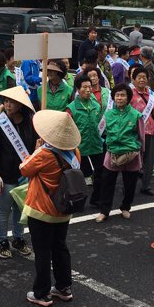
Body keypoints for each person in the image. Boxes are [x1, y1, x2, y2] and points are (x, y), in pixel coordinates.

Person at [20, 109, 82, 307]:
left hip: (42, 209)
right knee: (60, 247)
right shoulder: (74, 152)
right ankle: (64, 287)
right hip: (63, 209)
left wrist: (37, 149)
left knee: (42, 251)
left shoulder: (45, 154)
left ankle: (41, 292)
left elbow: (24, 168)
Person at [0, 85, 36, 259]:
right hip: (5, 174)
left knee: (20, 208)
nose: (7, 105)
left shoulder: (30, 121)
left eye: (12, 102)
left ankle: (18, 238)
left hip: (25, 173)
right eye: (6, 101)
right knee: (3, 209)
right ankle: (2, 240)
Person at [97, 84, 142, 222]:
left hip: (131, 155)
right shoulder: (108, 114)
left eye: (123, 95)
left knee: (130, 184)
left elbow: (141, 137)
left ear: (128, 98)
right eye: (117, 95)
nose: (119, 98)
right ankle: (104, 211)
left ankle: (126, 207)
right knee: (107, 183)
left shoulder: (136, 115)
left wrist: (137, 151)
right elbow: (102, 132)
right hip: (112, 154)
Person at [65, 74, 106, 210]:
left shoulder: (96, 105)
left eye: (90, 87)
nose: (88, 90)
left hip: (96, 146)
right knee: (80, 177)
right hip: (79, 148)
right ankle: (79, 202)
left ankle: (96, 199)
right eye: (85, 87)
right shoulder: (71, 108)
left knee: (100, 174)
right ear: (78, 89)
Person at [130, 65, 154, 196]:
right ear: (134, 79)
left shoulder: (150, 94)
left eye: (144, 77)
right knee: (132, 159)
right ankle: (129, 185)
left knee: (149, 160)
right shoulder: (129, 93)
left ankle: (146, 185)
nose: (142, 80)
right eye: (139, 77)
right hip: (134, 131)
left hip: (150, 130)